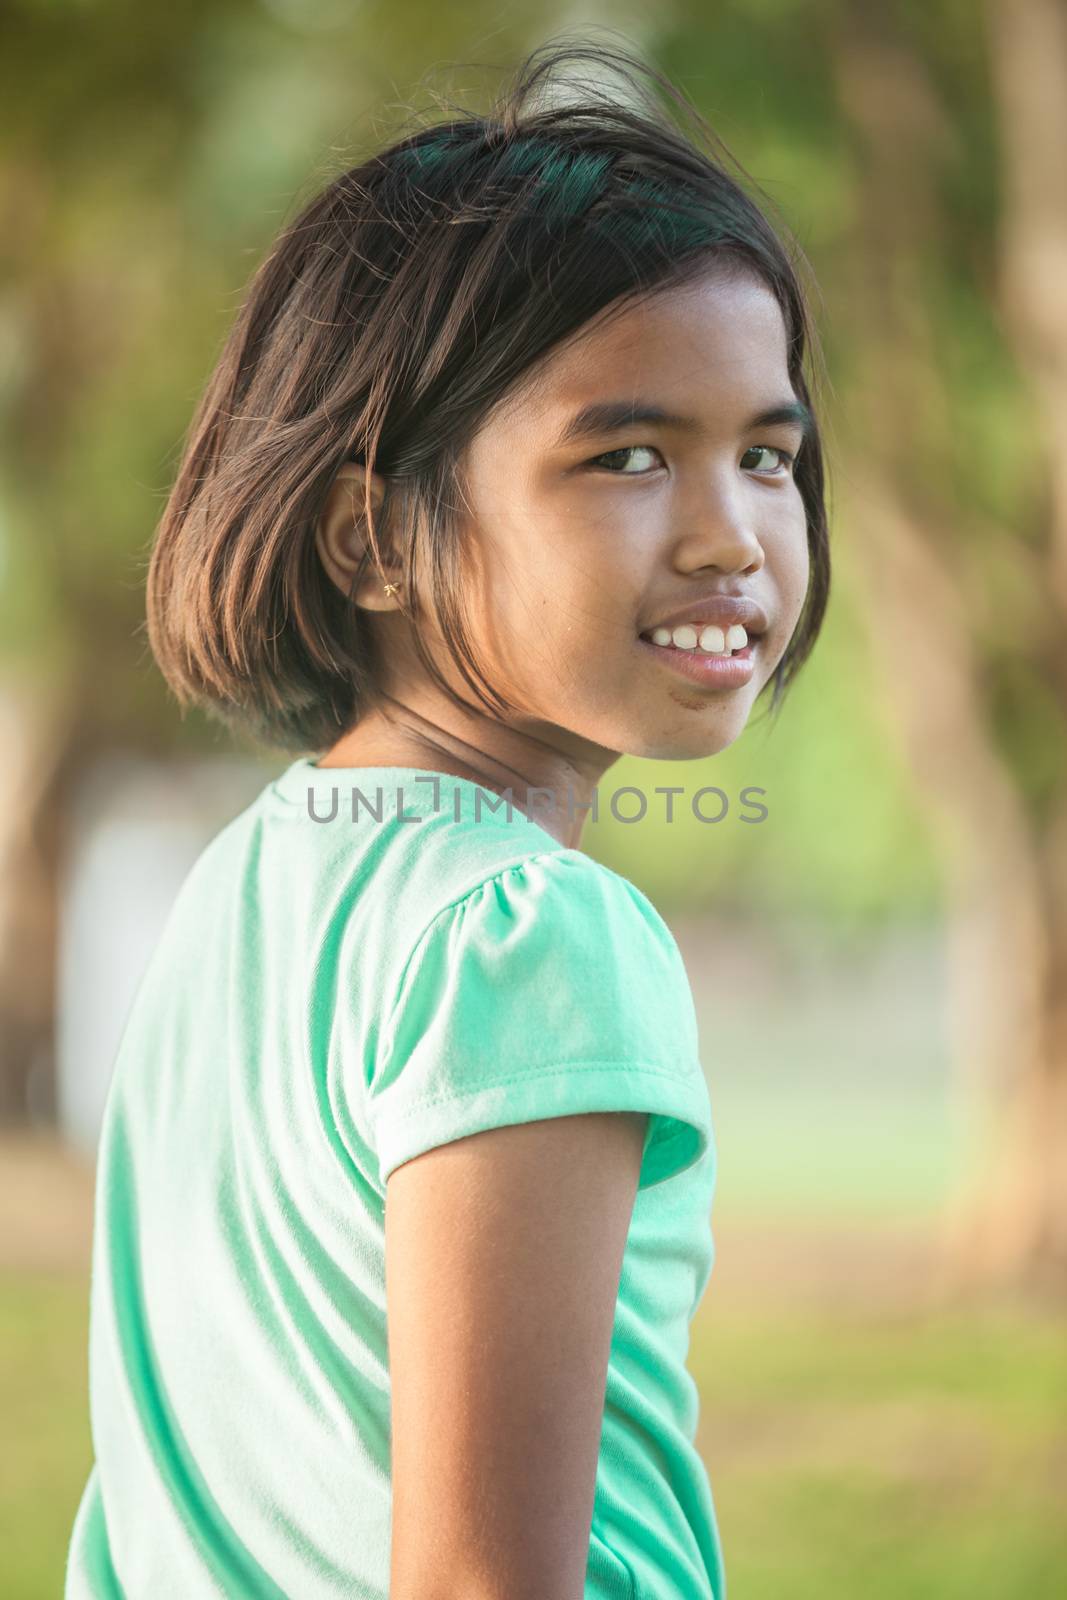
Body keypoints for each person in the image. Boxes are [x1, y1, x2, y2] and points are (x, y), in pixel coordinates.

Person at [65, 34, 831, 1600]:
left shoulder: (241, 885)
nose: (732, 534)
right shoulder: (529, 935)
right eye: (626, 455)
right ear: (372, 541)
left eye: (766, 453)